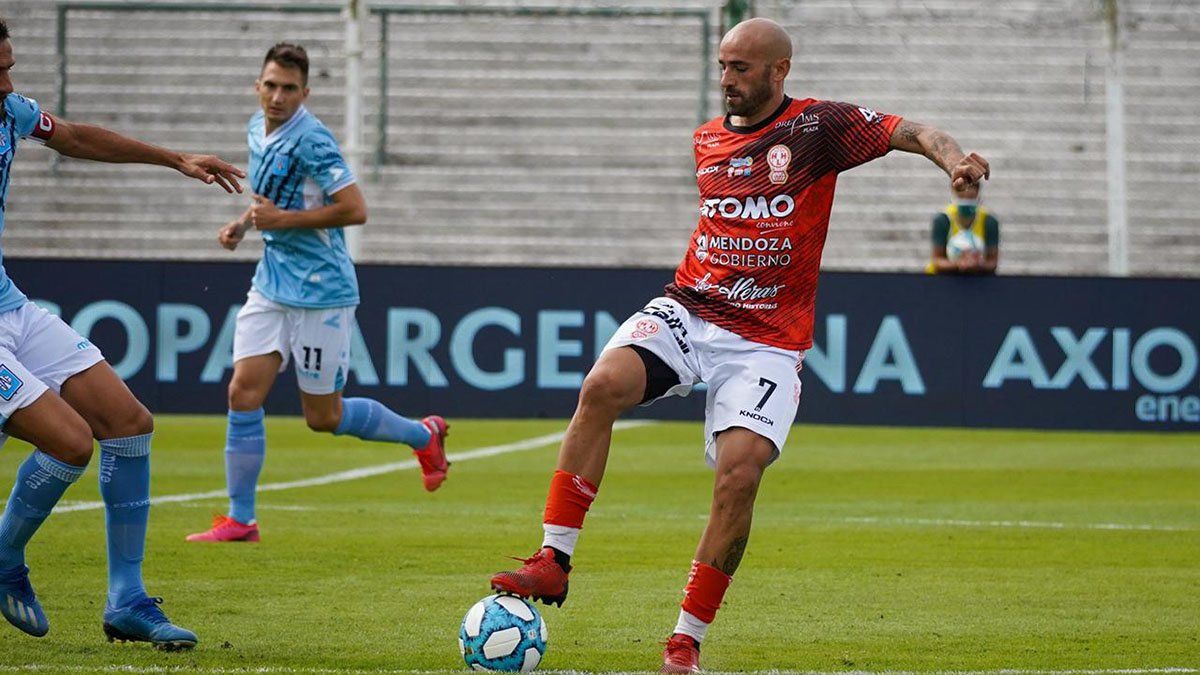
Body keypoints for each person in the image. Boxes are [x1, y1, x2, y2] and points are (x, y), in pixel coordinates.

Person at [488, 18, 990, 673]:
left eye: (740, 68)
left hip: (766, 342)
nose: (725, 79)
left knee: (739, 476)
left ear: (779, 71)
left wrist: (956, 161)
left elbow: (913, 132)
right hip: (691, 309)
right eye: (723, 66)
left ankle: (685, 640)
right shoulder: (707, 140)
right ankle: (553, 559)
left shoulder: (817, 130)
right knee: (601, 385)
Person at [0, 17, 245, 649]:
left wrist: (175, 159)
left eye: (11, 68)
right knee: (70, 443)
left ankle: (126, 601)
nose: (8, 81)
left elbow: (76, 137)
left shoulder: (11, 111)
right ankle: (4, 560)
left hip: (11, 308)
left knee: (128, 424)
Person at [186, 43, 449, 545]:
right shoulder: (254, 127)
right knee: (243, 391)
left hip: (322, 290)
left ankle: (423, 435)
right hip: (271, 281)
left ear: (305, 93)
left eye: (289, 88)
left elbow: (355, 209)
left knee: (322, 418)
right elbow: (270, 197)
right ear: (257, 86)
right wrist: (244, 225)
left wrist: (284, 222)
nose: (278, 96)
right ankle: (242, 520)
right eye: (270, 85)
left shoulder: (313, 140)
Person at [926, 181, 999, 274]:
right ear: (954, 191)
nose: (966, 195)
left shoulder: (989, 221)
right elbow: (937, 260)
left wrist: (976, 265)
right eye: (962, 196)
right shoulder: (943, 219)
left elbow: (992, 262)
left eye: (970, 197)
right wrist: (959, 264)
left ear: (977, 192)